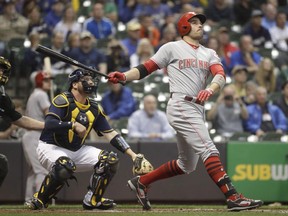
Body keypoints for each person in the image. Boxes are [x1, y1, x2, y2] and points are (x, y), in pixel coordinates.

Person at [108, 12, 263, 212]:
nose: (200, 26)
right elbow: (146, 68)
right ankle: (233, 196)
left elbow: (220, 75)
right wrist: (123, 77)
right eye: (195, 22)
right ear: (184, 27)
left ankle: (142, 182)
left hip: (197, 108)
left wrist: (210, 89)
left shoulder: (209, 53)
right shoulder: (172, 48)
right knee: (209, 149)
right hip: (181, 104)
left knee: (187, 164)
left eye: (201, 23)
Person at [25, 68, 141, 210]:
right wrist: (72, 125)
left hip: (76, 149)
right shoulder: (62, 99)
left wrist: (133, 155)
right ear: (74, 84)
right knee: (64, 165)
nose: (91, 82)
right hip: (50, 146)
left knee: (110, 160)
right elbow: (49, 124)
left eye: (92, 80)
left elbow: (110, 133)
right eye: (86, 79)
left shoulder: (94, 107)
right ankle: (40, 200)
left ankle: (93, 199)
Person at [0, 57, 44, 187]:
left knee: (1, 164)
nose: (1, 72)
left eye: (3, 70)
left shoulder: (2, 97)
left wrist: (47, 126)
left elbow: (19, 119)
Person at [22, 71, 53, 203]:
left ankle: (29, 200)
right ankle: (41, 199)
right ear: (39, 81)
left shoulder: (35, 94)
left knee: (33, 171)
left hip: (31, 135)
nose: (49, 82)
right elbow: (49, 114)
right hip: (35, 134)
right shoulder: (41, 94)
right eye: (46, 80)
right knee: (41, 170)